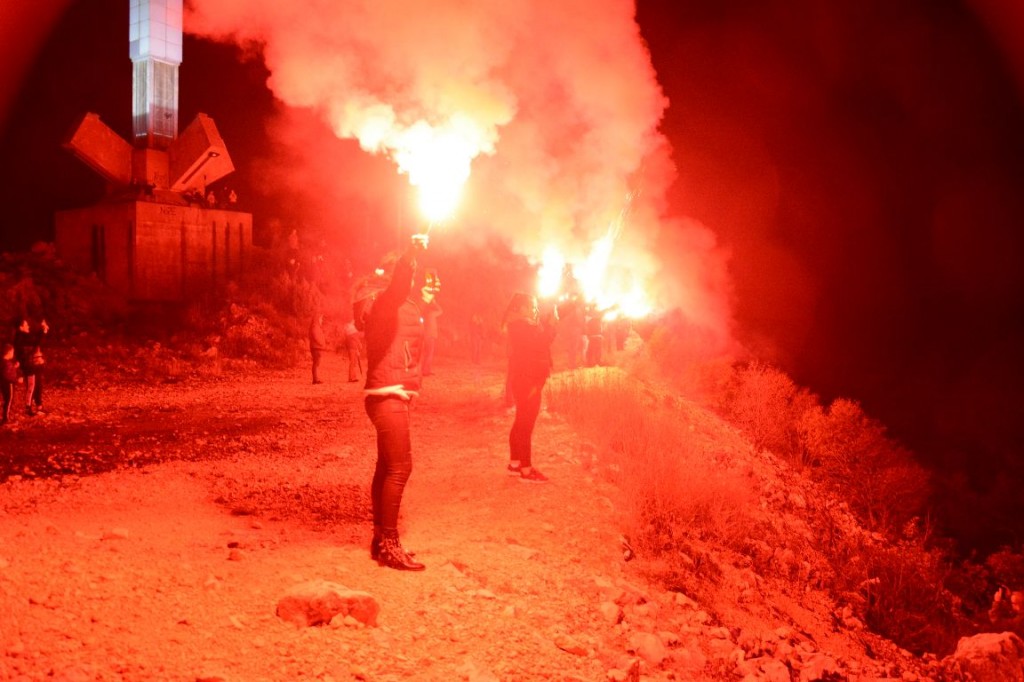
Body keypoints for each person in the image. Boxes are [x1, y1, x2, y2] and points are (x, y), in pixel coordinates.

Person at [360, 233, 430, 571]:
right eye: (408, 273)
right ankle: (389, 542)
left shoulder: (392, 306)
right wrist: (411, 254)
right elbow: (400, 285)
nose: (414, 278)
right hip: (388, 394)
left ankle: (379, 540)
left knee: (386, 467)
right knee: (402, 467)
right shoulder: (385, 301)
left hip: (389, 392)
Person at [505, 293, 557, 482]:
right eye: (532, 306)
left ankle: (515, 463)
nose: (535, 309)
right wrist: (551, 326)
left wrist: (556, 315)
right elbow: (541, 342)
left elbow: (541, 337)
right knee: (526, 424)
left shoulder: (524, 325)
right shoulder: (519, 326)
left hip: (526, 380)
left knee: (520, 421)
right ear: (521, 308)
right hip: (528, 382)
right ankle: (526, 470)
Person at [14, 317, 47, 416]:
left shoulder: (24, 336)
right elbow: (35, 342)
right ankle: (28, 408)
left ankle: (39, 406)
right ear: (21, 327)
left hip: (33, 364)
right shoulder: (20, 338)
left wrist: (42, 330)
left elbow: (35, 341)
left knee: (38, 385)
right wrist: (43, 331)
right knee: (31, 386)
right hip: (29, 366)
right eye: (26, 325)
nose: (28, 326)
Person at [419, 280, 442, 377]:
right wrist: (434, 302)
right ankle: (426, 371)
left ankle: (425, 369)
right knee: (429, 354)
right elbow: (441, 310)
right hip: (431, 336)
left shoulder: (425, 315)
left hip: (426, 335)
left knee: (425, 353)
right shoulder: (432, 314)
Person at [1, 343, 19, 425]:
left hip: (3, 383)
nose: (13, 354)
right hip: (8, 384)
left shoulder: (4, 361)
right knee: (9, 400)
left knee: (6, 400)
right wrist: (16, 380)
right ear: (8, 353)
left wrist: (14, 367)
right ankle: (6, 418)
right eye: (12, 352)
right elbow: (7, 375)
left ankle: (6, 416)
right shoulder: (7, 363)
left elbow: (7, 371)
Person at [308, 314, 327, 384]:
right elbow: (316, 336)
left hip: (316, 347)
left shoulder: (315, 326)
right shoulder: (315, 327)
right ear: (317, 319)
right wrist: (322, 343)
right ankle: (315, 379)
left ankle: (316, 378)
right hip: (316, 347)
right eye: (321, 319)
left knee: (316, 363)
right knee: (316, 364)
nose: (321, 320)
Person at [344, 319, 363, 383]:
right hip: (353, 347)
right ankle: (351, 378)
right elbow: (356, 338)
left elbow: (354, 339)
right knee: (353, 362)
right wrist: (359, 345)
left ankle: (353, 377)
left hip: (351, 347)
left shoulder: (347, 328)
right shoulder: (351, 328)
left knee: (353, 362)